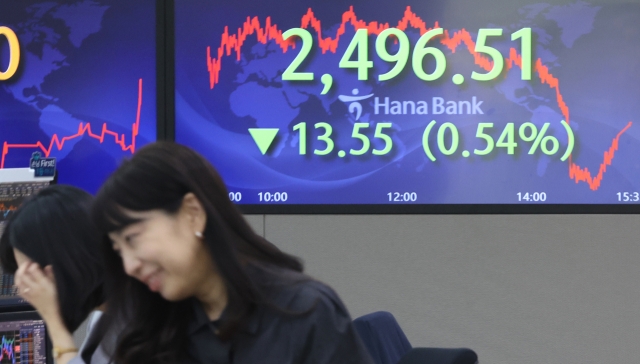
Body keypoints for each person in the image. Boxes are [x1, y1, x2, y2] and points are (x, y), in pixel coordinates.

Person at [88, 141, 374, 364]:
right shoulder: (153, 327)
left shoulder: (303, 311)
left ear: (193, 213)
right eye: (118, 250)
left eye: (133, 238)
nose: (128, 265)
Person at [0, 185, 109, 364]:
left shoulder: (143, 321)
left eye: (34, 277)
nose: (26, 292)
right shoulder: (103, 316)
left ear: (67, 263)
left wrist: (54, 321)